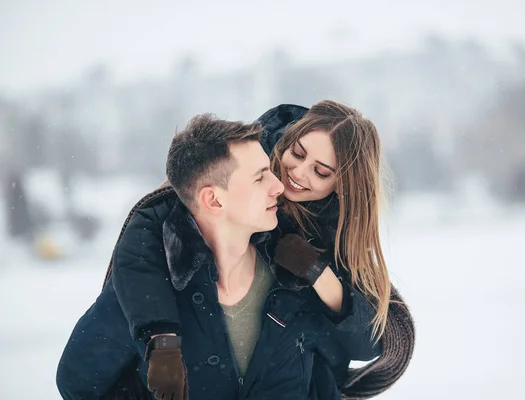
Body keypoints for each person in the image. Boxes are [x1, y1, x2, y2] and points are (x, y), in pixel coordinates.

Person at [57, 108, 390, 400]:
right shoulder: (165, 266)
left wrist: (318, 273)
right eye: (297, 153)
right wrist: (161, 336)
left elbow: (365, 344)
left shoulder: (321, 255)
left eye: (321, 171)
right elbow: (146, 230)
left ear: (344, 185)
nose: (292, 177)